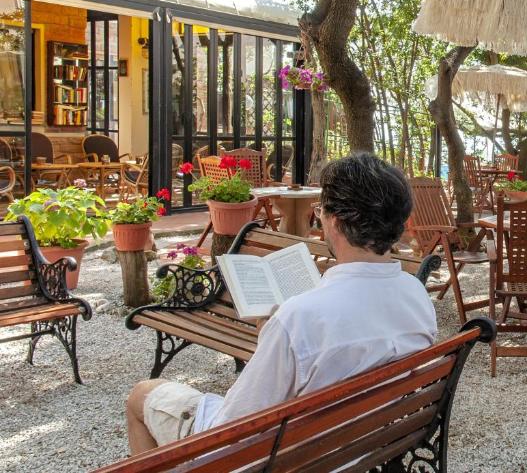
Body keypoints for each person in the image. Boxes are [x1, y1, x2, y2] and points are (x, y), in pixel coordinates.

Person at [125, 153, 437, 454]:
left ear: (338, 223)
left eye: (322, 211)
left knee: (141, 395)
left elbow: (232, 432)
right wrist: (275, 338)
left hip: (292, 457)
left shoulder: (301, 317)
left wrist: (277, 335)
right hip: (366, 444)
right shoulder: (416, 295)